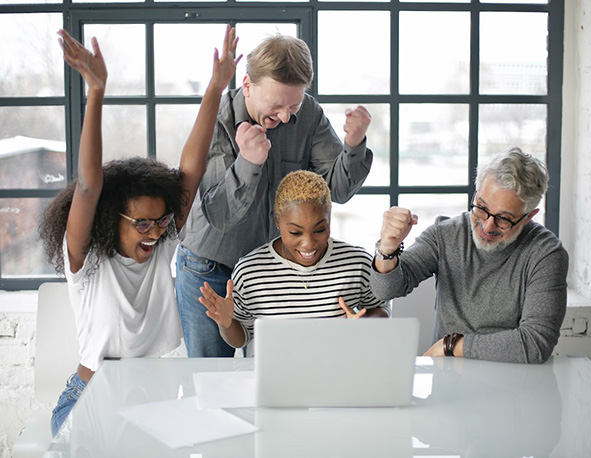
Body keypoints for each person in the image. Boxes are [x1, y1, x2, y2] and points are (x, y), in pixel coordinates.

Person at [39, 26, 240, 436]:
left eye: (162, 220)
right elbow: (90, 184)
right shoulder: (88, 261)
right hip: (89, 399)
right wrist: (96, 91)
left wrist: (217, 86)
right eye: (142, 223)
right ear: (113, 219)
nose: (154, 232)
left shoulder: (162, 243)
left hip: (156, 404)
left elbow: (191, 169)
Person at [176, 33, 374, 357]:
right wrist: (248, 162)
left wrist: (353, 145)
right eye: (276, 105)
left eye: (293, 104)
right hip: (210, 266)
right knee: (211, 378)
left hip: (269, 272)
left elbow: (336, 190)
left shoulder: (308, 114)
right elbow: (219, 215)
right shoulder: (217, 119)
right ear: (248, 85)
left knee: (271, 374)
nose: (285, 117)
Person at [370, 147, 568, 364]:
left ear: (529, 216)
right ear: (476, 193)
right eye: (481, 207)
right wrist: (387, 248)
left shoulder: (546, 253)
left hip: (513, 383)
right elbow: (385, 289)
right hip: (448, 385)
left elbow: (536, 344)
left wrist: (451, 345)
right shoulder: (445, 233)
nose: (487, 225)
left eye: (504, 218)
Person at [199, 170, 390, 351]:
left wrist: (363, 326)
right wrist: (226, 324)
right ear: (277, 221)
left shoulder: (356, 263)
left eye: (320, 230)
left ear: (329, 219)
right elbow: (241, 339)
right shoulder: (250, 271)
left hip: (337, 374)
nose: (308, 244)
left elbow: (380, 308)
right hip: (276, 377)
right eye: (295, 232)